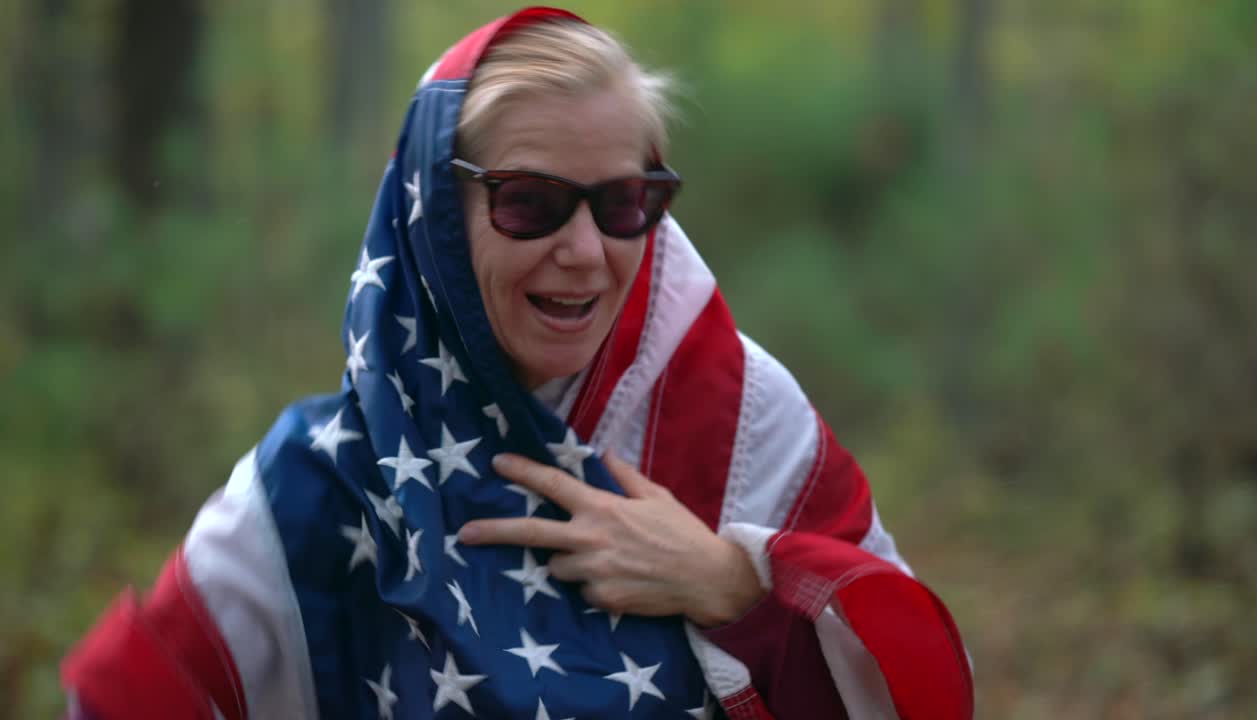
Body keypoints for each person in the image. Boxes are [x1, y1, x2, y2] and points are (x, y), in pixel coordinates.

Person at [62, 7, 973, 719]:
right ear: (435, 218)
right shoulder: (318, 483)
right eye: (531, 202)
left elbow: (918, 690)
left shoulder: (742, 413)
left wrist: (733, 585)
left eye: (624, 202)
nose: (586, 250)